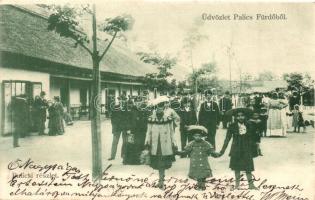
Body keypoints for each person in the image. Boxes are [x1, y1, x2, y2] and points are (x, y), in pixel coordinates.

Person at [218, 108, 261, 190]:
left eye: (242, 116)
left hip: (247, 148)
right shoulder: (232, 126)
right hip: (236, 148)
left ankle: (251, 185)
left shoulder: (250, 125)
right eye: (238, 116)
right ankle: (237, 185)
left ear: (245, 116)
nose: (240, 117)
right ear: (235, 117)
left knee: (248, 167)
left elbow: (255, 137)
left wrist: (257, 147)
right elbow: (227, 139)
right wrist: (222, 151)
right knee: (236, 167)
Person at [144, 96, 180, 190]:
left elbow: (172, 132)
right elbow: (148, 132)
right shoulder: (151, 118)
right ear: (156, 108)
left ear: (164, 108)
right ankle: (160, 179)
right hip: (155, 145)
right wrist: (147, 142)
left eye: (162, 107)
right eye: (158, 107)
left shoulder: (168, 119)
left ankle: (161, 181)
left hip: (165, 145)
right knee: (157, 163)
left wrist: (174, 143)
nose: (160, 109)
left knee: (163, 163)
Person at [177, 125, 220, 190]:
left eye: (199, 136)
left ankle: (202, 186)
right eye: (196, 136)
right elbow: (185, 151)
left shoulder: (205, 143)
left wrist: (215, 154)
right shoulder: (191, 144)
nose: (197, 137)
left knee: (203, 174)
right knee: (197, 175)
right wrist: (177, 152)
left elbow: (210, 150)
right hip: (195, 163)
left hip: (203, 162)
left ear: (202, 136)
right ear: (193, 136)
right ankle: (199, 185)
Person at [108, 96, 128, 161]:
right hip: (117, 128)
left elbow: (129, 118)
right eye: (120, 100)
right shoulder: (115, 107)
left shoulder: (127, 108)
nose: (122, 101)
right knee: (114, 142)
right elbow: (112, 118)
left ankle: (124, 156)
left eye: (123, 100)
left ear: (125, 100)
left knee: (125, 142)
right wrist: (114, 127)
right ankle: (112, 156)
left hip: (125, 127)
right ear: (119, 100)